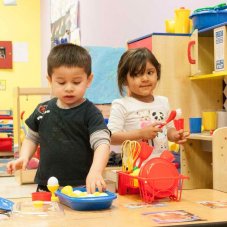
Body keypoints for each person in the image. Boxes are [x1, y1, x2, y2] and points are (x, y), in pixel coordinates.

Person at [7, 43, 111, 194]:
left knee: (77, 218)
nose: (69, 88)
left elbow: (102, 143)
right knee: (47, 217)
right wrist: (24, 157)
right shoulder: (43, 109)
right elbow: (32, 138)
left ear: (88, 80)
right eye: (61, 82)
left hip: (80, 186)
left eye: (76, 82)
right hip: (45, 186)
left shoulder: (91, 112)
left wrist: (96, 172)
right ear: (50, 80)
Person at [108, 48, 189, 158]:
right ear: (124, 80)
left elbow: (168, 129)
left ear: (157, 73)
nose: (145, 78)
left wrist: (175, 135)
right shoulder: (121, 105)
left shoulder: (163, 102)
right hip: (135, 169)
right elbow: (111, 137)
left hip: (163, 164)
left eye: (150, 72)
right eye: (137, 74)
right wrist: (141, 134)